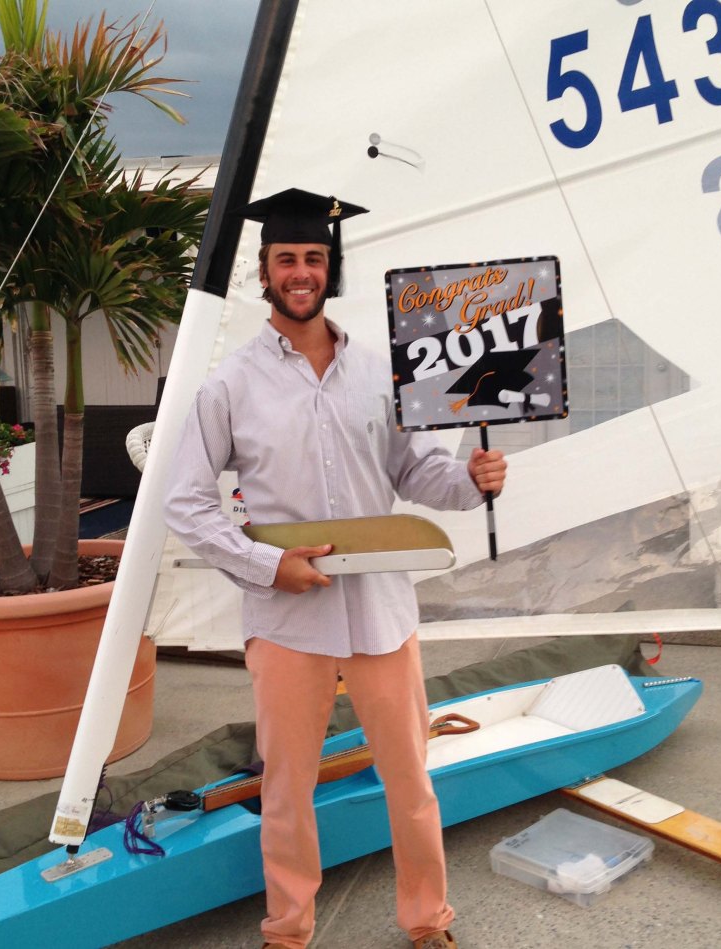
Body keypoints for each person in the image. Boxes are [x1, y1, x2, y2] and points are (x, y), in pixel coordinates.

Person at [164, 188, 507, 949]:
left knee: (410, 780)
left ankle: (427, 921)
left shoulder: (381, 372)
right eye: (286, 258)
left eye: (314, 258)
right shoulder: (229, 384)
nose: (301, 272)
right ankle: (287, 931)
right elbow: (185, 501)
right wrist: (265, 566)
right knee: (287, 789)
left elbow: (415, 471)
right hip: (289, 620)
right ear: (263, 271)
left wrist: (470, 479)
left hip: (381, 612)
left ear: (330, 268)